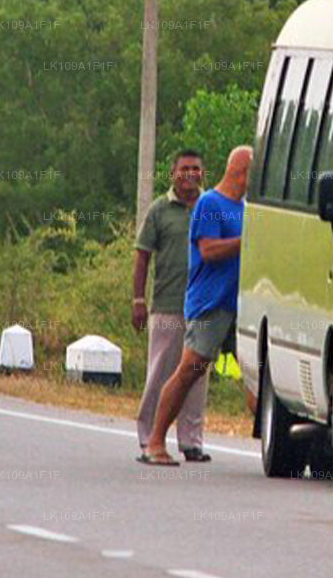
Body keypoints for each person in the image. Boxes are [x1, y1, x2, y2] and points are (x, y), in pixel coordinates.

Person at [140, 146, 252, 466]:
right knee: (188, 370)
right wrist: (248, 241)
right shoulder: (210, 204)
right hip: (209, 305)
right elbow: (209, 250)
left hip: (238, 306)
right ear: (241, 172)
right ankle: (155, 442)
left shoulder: (245, 208)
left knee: (256, 374)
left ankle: (287, 448)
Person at [132, 149, 209, 462]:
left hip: (204, 307)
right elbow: (142, 256)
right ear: (173, 174)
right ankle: (149, 437)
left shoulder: (211, 206)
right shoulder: (159, 210)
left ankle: (191, 442)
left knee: (197, 376)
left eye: (196, 168)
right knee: (160, 373)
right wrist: (138, 300)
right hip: (168, 304)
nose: (190, 174)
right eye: (184, 168)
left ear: (203, 173)